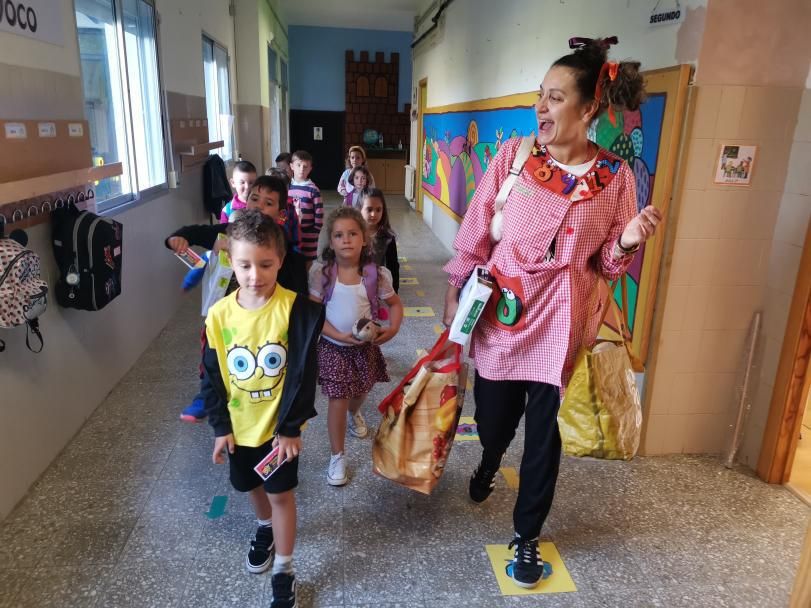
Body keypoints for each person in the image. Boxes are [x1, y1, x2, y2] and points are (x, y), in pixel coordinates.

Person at [441, 36, 662, 589]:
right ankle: (490, 458)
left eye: (555, 97)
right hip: (502, 316)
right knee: (494, 420)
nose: (541, 107)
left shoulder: (617, 178)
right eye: (540, 95)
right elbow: (474, 234)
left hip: (564, 322)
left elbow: (608, 266)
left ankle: (526, 535)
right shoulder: (514, 157)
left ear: (588, 109)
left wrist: (630, 239)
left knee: (544, 434)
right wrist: (454, 297)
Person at [201, 209, 324, 608]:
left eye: (266, 264)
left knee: (281, 494)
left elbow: (305, 375)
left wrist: (291, 427)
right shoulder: (219, 315)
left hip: (278, 433)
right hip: (239, 429)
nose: (255, 275)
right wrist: (221, 426)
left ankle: (284, 569)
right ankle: (264, 527)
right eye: (245, 265)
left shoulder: (295, 310)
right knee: (251, 485)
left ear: (281, 261)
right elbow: (212, 376)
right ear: (231, 262)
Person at [167, 176, 308, 423]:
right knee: (213, 352)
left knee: (256, 357)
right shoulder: (229, 232)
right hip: (227, 314)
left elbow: (298, 290)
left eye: (268, 203)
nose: (259, 206)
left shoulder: (279, 243)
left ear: (281, 213)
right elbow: (193, 233)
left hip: (263, 317)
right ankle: (208, 393)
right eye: (255, 199)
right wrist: (177, 239)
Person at [308, 207, 403, 486]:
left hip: (364, 348)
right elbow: (314, 313)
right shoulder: (322, 274)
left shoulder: (375, 275)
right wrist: (336, 333)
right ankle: (337, 455)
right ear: (331, 241)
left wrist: (393, 327)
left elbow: (394, 304)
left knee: (360, 391)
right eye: (339, 235)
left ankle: (355, 410)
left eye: (352, 233)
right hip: (332, 346)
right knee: (337, 398)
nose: (346, 240)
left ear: (364, 239)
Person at [359, 188, 399, 292]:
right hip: (355, 287)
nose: (374, 214)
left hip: (377, 288)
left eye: (378, 210)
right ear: (359, 209)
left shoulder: (388, 238)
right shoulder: (353, 234)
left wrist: (394, 292)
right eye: (369, 209)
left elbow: (393, 267)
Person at [288, 150, 323, 264]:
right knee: (293, 256)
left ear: (310, 169)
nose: (302, 169)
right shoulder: (288, 187)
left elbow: (319, 211)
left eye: (305, 166)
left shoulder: (313, 189)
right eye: (298, 165)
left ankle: (305, 280)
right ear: (292, 166)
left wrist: (316, 230)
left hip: (308, 232)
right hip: (291, 231)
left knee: (307, 259)